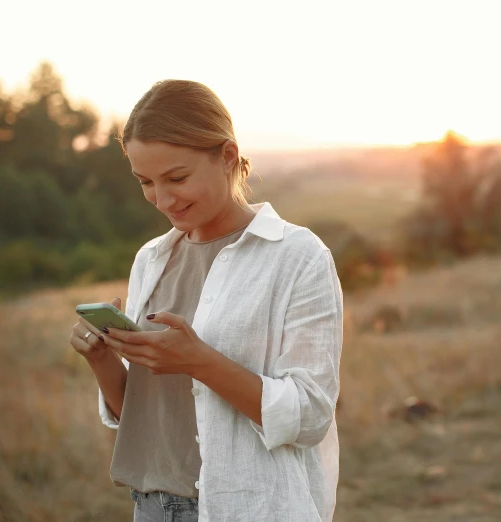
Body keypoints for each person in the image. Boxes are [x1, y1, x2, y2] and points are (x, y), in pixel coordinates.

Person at [68, 79, 344, 522]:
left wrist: (199, 361)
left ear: (228, 156)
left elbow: (310, 416)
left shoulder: (297, 256)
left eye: (176, 178)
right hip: (151, 505)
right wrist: (103, 361)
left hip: (248, 507)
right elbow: (148, 418)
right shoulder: (151, 260)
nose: (162, 199)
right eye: (146, 182)